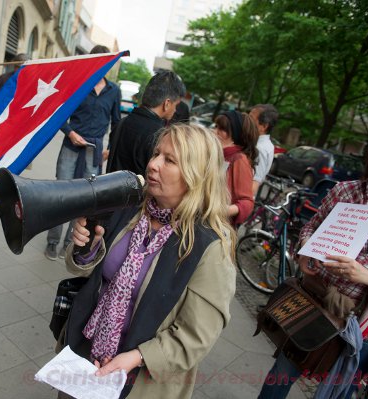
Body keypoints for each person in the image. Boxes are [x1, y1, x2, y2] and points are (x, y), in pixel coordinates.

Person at [59, 124, 236, 399]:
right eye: (156, 154)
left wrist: (137, 357)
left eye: (169, 160)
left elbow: (195, 337)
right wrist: (86, 249)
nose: (153, 165)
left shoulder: (210, 246)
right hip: (86, 356)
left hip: (139, 382)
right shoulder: (129, 206)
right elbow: (83, 268)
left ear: (196, 175)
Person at [258, 140, 368, 399]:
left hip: (365, 323)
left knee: (340, 391)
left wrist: (367, 276)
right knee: (284, 371)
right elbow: (313, 226)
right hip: (318, 301)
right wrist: (305, 250)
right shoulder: (347, 192)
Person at [44, 45, 121, 261]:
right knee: (62, 195)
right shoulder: (79, 84)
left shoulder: (114, 91)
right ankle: (52, 241)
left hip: (93, 152)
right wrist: (70, 133)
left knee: (84, 199)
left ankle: (70, 242)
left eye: (108, 61)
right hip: (71, 147)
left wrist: (109, 148)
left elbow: (116, 123)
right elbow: (59, 113)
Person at [106, 71, 183, 176]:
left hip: (111, 189)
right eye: (176, 105)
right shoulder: (160, 136)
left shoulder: (122, 123)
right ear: (167, 104)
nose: (175, 110)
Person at [214, 110, 258, 226]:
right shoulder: (221, 154)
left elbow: (247, 203)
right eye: (216, 126)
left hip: (217, 226)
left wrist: (218, 211)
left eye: (222, 129)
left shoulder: (239, 159)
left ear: (234, 134)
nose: (215, 132)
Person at [250, 104, 279, 195]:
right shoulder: (264, 144)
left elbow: (253, 185)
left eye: (251, 118)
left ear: (264, 126)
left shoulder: (260, 148)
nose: (246, 120)